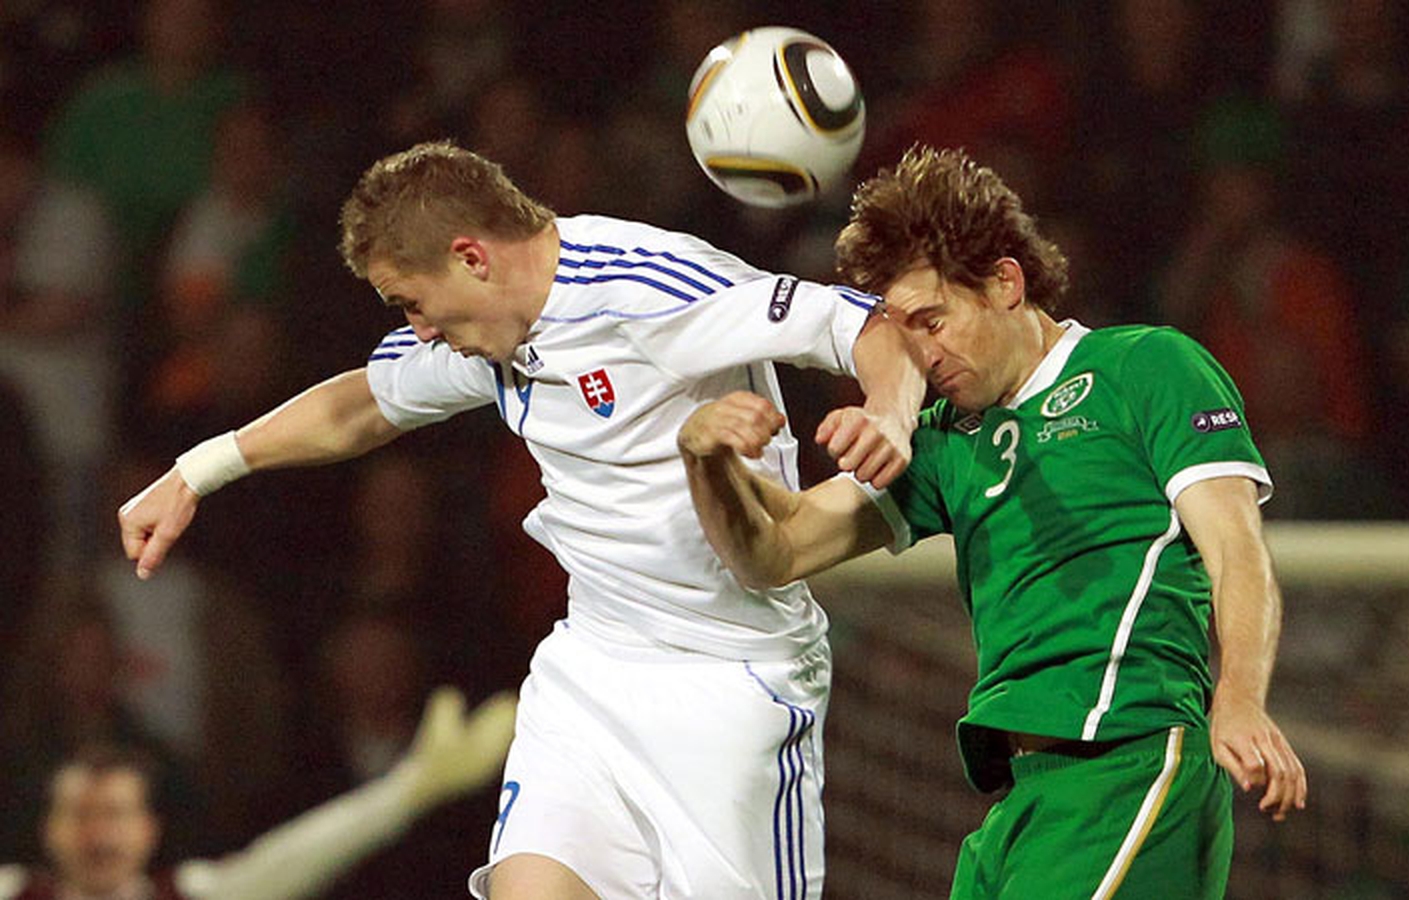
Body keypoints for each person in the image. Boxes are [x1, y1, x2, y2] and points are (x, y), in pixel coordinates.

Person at [118, 141, 923, 900]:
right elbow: (364, 404)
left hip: (731, 680)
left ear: (472, 257)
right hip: (592, 670)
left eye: (413, 303)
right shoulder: (490, 334)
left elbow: (861, 324)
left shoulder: (642, 288)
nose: (419, 331)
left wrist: (888, 412)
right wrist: (198, 471)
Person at [677, 146, 1307, 898]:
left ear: (1006, 282)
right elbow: (776, 551)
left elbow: (1237, 551)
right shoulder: (944, 441)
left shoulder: (1145, 367)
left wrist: (1238, 699)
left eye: (933, 320)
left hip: (1131, 765)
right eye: (905, 335)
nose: (923, 354)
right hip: (1021, 804)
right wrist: (707, 459)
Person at [0, 687, 514, 900]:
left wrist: (409, 791)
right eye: (81, 814)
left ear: (148, 829)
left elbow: (297, 856)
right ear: (48, 828)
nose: (98, 835)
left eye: (114, 814)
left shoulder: (192, 894)